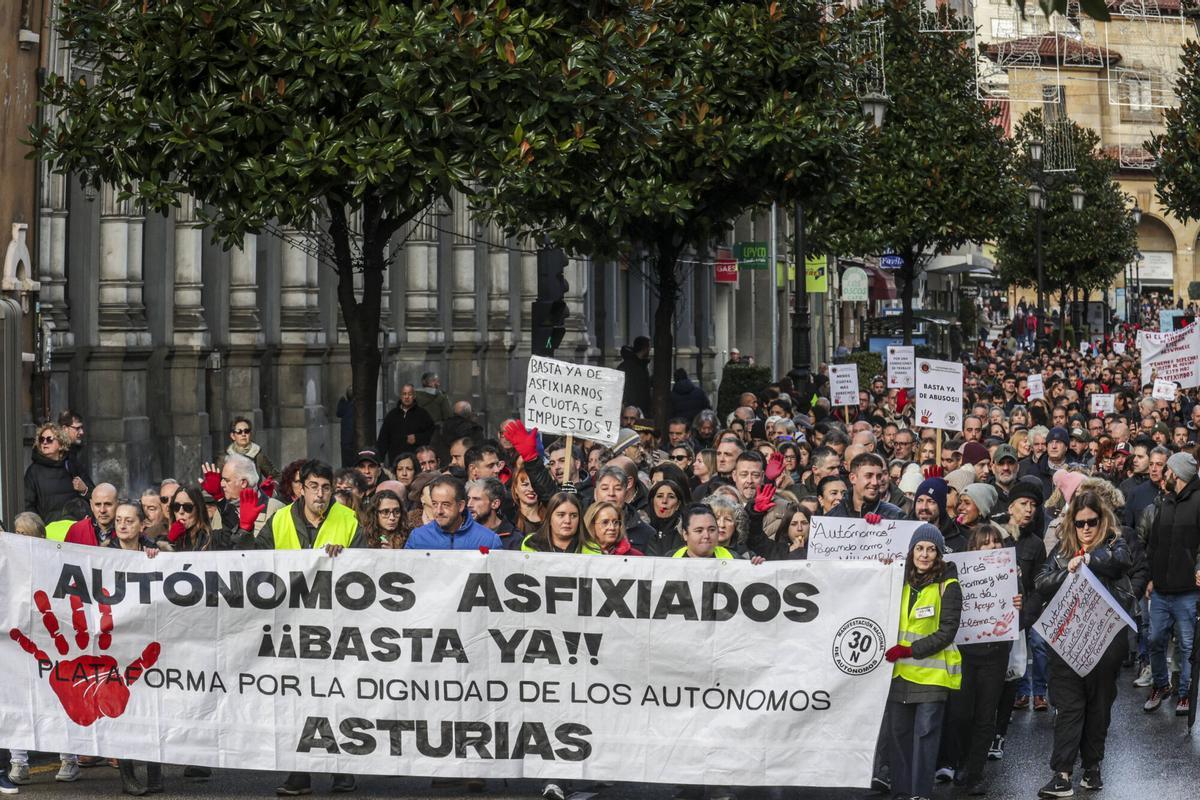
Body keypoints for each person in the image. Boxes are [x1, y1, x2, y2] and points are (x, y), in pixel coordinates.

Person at [1035, 489, 1133, 798]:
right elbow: (1041, 582)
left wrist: (1092, 558)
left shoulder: (1115, 544)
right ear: (1072, 524)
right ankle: (1062, 773)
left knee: (1098, 707)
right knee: (1068, 707)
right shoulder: (1063, 551)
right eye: (1080, 523)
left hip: (1104, 644)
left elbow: (1123, 562)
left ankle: (1092, 767)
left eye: (1092, 521)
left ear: (1102, 520)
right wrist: (1068, 569)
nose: (1087, 528)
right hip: (1066, 644)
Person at [884, 524, 963, 800]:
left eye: (931, 550)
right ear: (911, 551)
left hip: (931, 677)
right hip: (898, 676)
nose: (925, 554)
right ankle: (901, 793)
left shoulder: (948, 585)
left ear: (939, 555)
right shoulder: (899, 581)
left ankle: (919, 794)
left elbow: (947, 631)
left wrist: (908, 650)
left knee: (925, 738)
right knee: (899, 737)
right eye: (920, 548)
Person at [943, 525, 1023, 795]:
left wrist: (1019, 606)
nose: (993, 548)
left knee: (986, 716)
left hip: (995, 653)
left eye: (996, 543)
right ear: (974, 549)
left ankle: (974, 772)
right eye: (986, 544)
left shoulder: (1012, 573)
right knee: (961, 713)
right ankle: (962, 761)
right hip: (964, 651)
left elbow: (1020, 619)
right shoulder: (959, 571)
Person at [1142, 451, 1200, 716]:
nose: (1163, 474)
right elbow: (1154, 544)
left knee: (1187, 645)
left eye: (1167, 470)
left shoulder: (1199, 501)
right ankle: (1161, 685)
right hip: (1161, 589)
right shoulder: (1164, 501)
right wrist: (1150, 577)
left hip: (1187, 590)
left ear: (1176, 474)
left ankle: (1185, 693)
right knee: (1155, 639)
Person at [405, 475, 501, 551]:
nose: (439, 511)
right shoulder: (417, 538)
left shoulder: (488, 540)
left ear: (461, 506)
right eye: (434, 504)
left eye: (446, 505)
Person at [23, 422, 91, 522]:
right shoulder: (33, 471)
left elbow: (95, 496)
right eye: (42, 439)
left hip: (74, 528)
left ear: (60, 444)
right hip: (49, 531)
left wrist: (84, 490)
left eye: (49, 439)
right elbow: (28, 505)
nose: (44, 443)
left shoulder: (72, 465)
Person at [375, 384, 436, 464]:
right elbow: (383, 440)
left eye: (410, 394)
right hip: (396, 462)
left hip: (417, 462)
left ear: (414, 396)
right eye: (404, 394)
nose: (407, 397)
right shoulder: (392, 415)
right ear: (401, 396)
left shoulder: (423, 414)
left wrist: (418, 438)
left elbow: (432, 435)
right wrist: (379, 461)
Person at [521, 493, 587, 553]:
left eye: (573, 516)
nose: (567, 521)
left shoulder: (592, 549)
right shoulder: (531, 542)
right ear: (549, 518)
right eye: (561, 515)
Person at [467, 478, 520, 549]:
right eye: (468, 499)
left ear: (495, 504)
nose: (469, 504)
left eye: (476, 499)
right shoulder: (461, 532)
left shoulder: (514, 538)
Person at [226, 416, 277, 480]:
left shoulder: (258, 456)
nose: (243, 434)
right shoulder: (225, 457)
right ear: (233, 436)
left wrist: (268, 488)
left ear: (250, 434)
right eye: (239, 431)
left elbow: (275, 477)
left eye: (246, 431)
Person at [618, 336, 652, 413]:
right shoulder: (629, 366)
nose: (650, 349)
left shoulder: (642, 365)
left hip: (639, 409)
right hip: (632, 411)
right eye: (649, 347)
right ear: (644, 348)